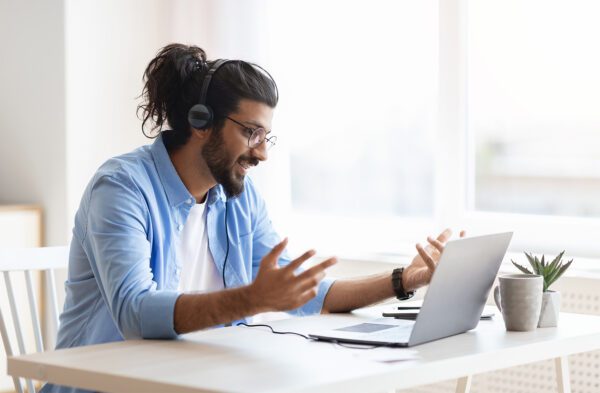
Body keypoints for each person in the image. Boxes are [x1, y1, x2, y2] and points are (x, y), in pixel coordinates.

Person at [41, 43, 461, 393]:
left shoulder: (236, 195)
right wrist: (253, 298)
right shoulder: (121, 188)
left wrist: (404, 280)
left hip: (198, 381)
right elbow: (135, 313)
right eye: (250, 133)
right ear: (201, 122)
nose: (262, 152)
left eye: (266, 136)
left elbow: (306, 294)